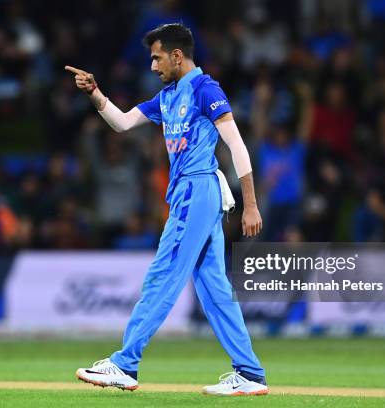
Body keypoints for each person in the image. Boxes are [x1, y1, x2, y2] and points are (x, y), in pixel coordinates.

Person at [65, 23, 267, 396]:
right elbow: (123, 122)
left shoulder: (206, 90)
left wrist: (251, 204)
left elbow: (237, 146)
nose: (153, 66)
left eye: (157, 58)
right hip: (192, 193)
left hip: (197, 190)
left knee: (163, 274)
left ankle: (125, 364)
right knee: (214, 289)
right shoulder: (168, 96)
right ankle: (250, 374)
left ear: (177, 55)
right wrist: (95, 93)